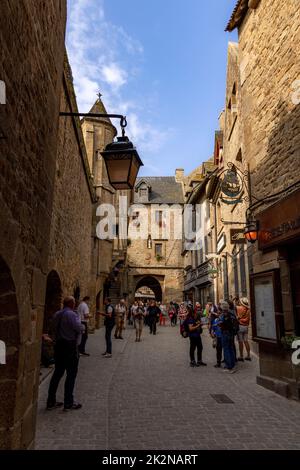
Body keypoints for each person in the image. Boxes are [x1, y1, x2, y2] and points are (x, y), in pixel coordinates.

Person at [47, 296, 84, 411]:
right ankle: (69, 402)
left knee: (57, 374)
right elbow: (79, 328)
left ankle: (50, 401)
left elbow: (52, 328)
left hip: (59, 346)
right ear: (72, 304)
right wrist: (82, 327)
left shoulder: (57, 314)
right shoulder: (72, 315)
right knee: (71, 375)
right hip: (70, 347)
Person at [218, 300, 237, 373]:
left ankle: (229, 367)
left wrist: (219, 324)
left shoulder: (224, 315)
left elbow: (222, 324)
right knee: (231, 348)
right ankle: (232, 364)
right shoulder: (232, 314)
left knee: (226, 349)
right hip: (231, 333)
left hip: (225, 333)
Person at [236, 297, 251, 361]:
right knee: (246, 341)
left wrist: (239, 320)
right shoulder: (248, 309)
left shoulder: (238, 308)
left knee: (240, 342)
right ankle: (248, 355)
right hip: (246, 327)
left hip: (240, 326)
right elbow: (247, 319)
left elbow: (233, 305)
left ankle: (241, 356)